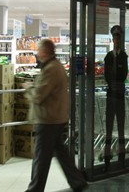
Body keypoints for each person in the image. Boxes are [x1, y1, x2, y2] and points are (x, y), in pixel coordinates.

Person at [24, 39, 87, 192]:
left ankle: (35, 189)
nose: (37, 53)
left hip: (48, 120)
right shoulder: (54, 66)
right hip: (56, 117)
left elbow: (39, 95)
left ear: (45, 51)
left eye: (39, 50)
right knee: (61, 153)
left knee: (41, 158)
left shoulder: (51, 69)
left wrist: (28, 88)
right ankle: (77, 181)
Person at [103, 25, 129, 170]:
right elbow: (107, 75)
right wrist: (112, 84)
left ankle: (122, 157)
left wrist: (116, 83)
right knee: (108, 127)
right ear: (112, 40)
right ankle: (107, 158)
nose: (117, 41)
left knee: (120, 126)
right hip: (110, 95)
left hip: (119, 95)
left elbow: (123, 74)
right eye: (115, 38)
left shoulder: (123, 56)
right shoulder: (108, 56)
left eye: (119, 38)